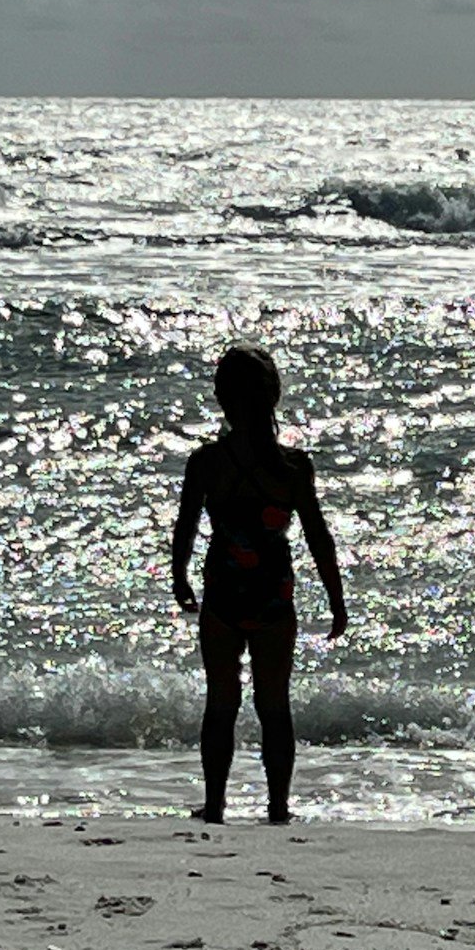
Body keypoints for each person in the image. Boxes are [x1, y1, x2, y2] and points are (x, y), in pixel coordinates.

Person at [170, 344, 346, 825]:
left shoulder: (207, 463)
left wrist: (179, 574)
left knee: (220, 703)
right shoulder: (292, 467)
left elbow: (186, 526)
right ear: (273, 398)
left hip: (223, 594)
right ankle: (278, 806)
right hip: (274, 596)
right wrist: (336, 599)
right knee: (274, 705)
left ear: (221, 398)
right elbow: (318, 537)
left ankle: (215, 805)